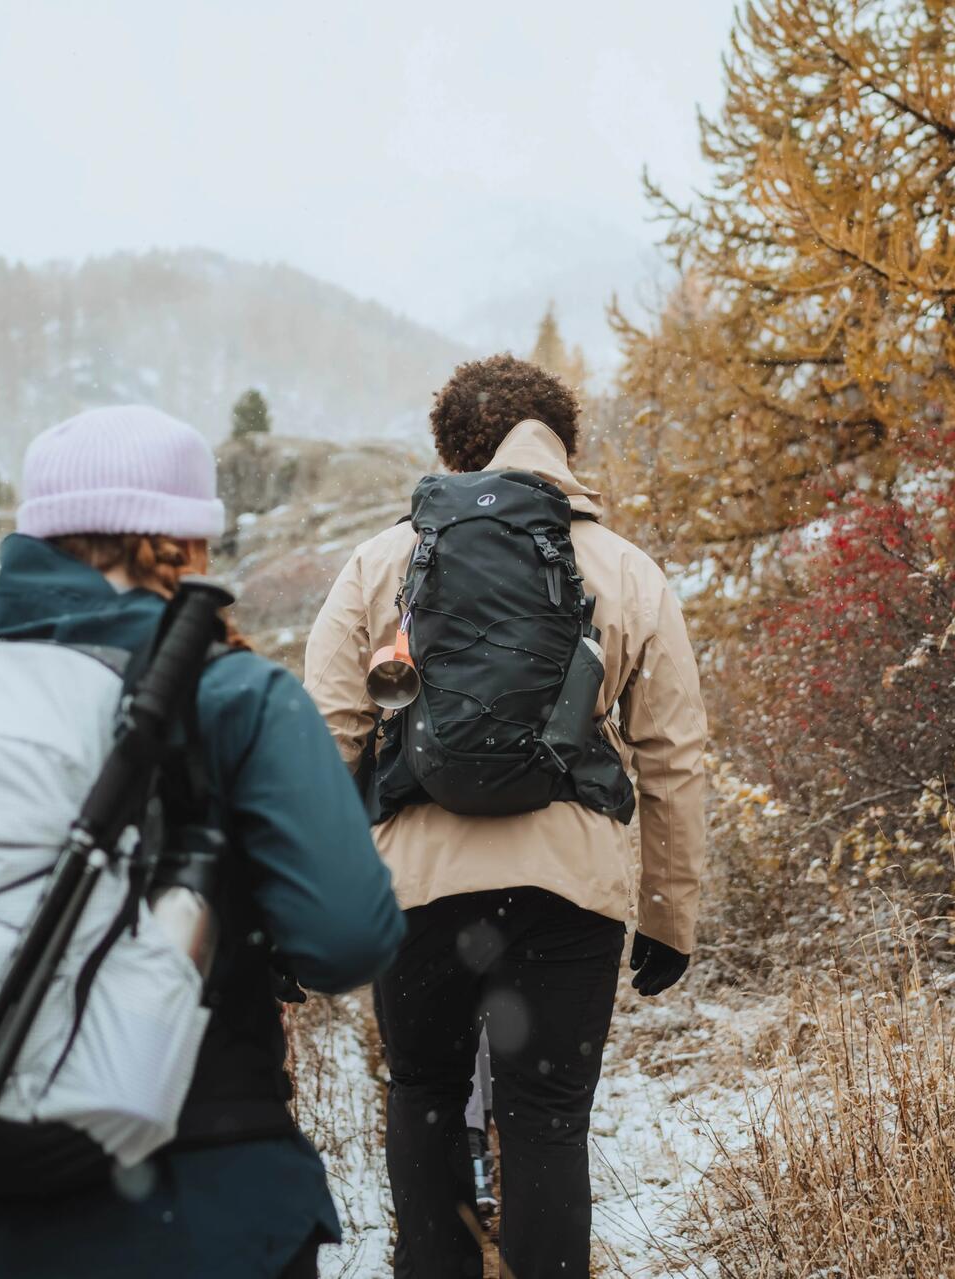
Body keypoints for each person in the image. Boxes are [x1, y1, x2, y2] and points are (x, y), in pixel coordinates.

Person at [0, 405, 406, 1279]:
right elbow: (345, 939)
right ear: (182, 545)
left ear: (37, 544)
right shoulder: (238, 695)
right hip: (207, 1209)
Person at [305, 354, 708, 1278]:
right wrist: (668, 913)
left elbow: (326, 744)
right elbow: (674, 757)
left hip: (416, 890)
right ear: (564, 447)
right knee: (549, 1121)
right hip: (569, 892)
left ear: (451, 450)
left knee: (425, 1094)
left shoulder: (380, 563)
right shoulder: (623, 568)